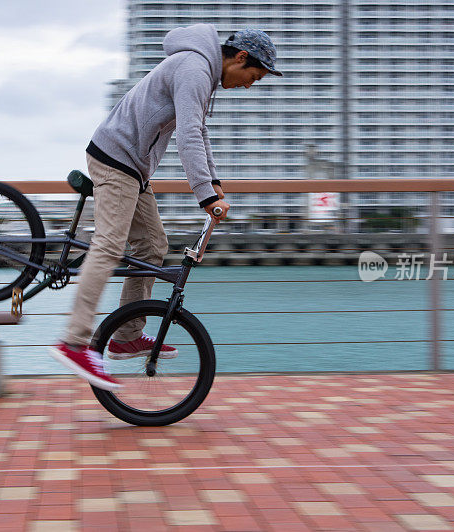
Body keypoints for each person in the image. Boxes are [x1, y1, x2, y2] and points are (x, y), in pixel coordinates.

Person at [49, 25, 282, 390]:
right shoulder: (194, 69)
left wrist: (214, 183)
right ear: (239, 58)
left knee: (154, 245)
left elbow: (199, 131)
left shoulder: (201, 73)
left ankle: (126, 337)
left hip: (134, 167)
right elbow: (187, 133)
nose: (249, 85)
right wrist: (205, 195)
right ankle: (74, 341)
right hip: (115, 159)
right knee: (109, 245)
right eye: (252, 76)